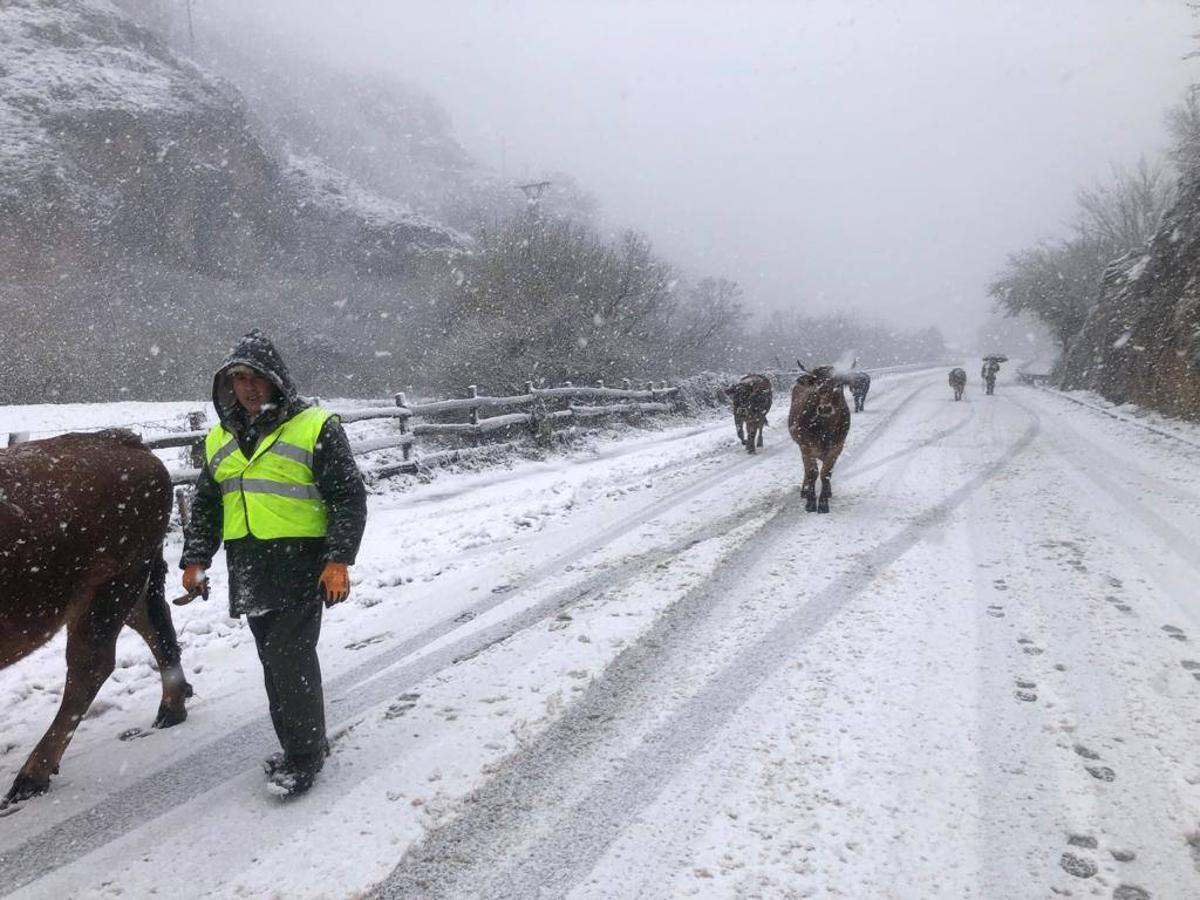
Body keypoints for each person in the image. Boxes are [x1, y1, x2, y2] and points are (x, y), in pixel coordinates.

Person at [180, 330, 367, 796]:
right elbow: (207, 504)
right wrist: (197, 558)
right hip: (250, 569)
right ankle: (300, 744)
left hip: (302, 566)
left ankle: (303, 758)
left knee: (289, 662)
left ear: (275, 379)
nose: (247, 388)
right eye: (238, 379)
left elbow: (347, 497)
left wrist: (339, 559)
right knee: (274, 663)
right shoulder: (220, 439)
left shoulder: (314, 426)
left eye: (256, 377)